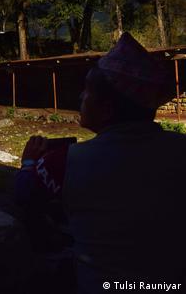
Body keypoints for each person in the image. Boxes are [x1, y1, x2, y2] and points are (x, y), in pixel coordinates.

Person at [62, 33, 186, 293]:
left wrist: (29, 164)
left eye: (87, 91)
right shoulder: (179, 149)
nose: (80, 97)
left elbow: (26, 194)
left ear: (106, 108)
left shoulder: (71, 159)